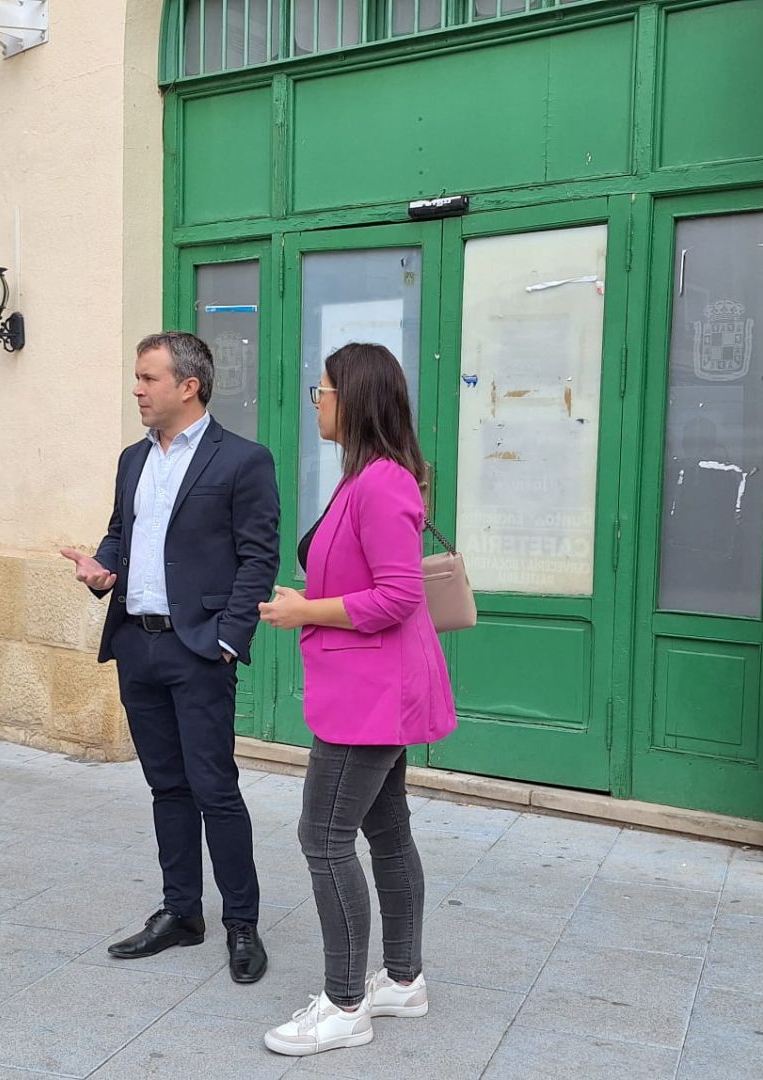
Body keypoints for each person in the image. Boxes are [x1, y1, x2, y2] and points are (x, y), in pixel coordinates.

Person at [256, 343, 457, 1057]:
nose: (317, 399)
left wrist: (307, 611)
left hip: (370, 695)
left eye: (325, 388)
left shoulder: (380, 485)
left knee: (324, 838)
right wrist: (309, 602)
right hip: (373, 687)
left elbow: (398, 597)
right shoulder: (370, 477)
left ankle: (346, 1004)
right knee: (388, 831)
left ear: (355, 399)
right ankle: (402, 980)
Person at [62, 331, 279, 985]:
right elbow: (121, 533)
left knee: (215, 789)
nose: (137, 389)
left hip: (198, 649)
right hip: (136, 642)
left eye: (148, 378)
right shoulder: (133, 459)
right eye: (137, 377)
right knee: (167, 787)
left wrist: (226, 639)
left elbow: (259, 559)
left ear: (188, 386)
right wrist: (104, 569)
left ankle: (241, 921)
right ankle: (182, 913)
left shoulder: (243, 460)